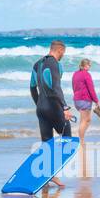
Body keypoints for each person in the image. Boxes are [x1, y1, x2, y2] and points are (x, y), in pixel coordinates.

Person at [30, 39, 73, 188]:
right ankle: (52, 173)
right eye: (63, 53)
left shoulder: (37, 64)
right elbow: (55, 88)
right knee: (67, 140)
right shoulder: (55, 64)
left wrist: (39, 105)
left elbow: (32, 88)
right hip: (54, 108)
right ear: (60, 50)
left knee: (47, 143)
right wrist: (65, 108)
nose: (63, 56)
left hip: (41, 109)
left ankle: (47, 174)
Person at [71, 58, 100, 142]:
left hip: (77, 100)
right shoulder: (86, 74)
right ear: (85, 65)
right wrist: (96, 101)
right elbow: (91, 89)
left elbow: (74, 86)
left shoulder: (75, 74)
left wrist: (76, 96)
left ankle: (81, 138)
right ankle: (81, 140)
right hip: (84, 99)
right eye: (89, 65)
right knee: (85, 121)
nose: (90, 67)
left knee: (86, 120)